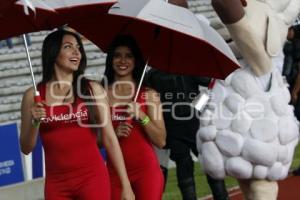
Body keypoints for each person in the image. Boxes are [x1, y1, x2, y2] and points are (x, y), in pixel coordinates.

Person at [19, 30, 135, 200]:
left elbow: (110, 138)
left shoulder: (93, 89)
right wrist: (35, 122)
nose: (76, 52)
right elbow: (26, 148)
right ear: (53, 52)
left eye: (78, 47)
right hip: (56, 185)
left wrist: (126, 185)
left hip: (92, 179)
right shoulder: (32, 95)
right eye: (68, 46)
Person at [146, 69, 230, 200]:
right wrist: (198, 105)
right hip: (187, 125)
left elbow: (211, 84)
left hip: (178, 126)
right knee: (205, 163)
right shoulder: (184, 68)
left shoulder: (151, 75)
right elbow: (212, 83)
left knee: (190, 165)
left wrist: (198, 104)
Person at [102, 34, 166, 200]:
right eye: (117, 55)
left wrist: (141, 115)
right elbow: (92, 141)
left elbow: (161, 141)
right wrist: (114, 134)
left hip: (146, 172)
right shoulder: (99, 94)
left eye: (128, 56)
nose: (122, 61)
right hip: (114, 174)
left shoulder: (148, 94)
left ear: (136, 60)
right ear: (110, 59)